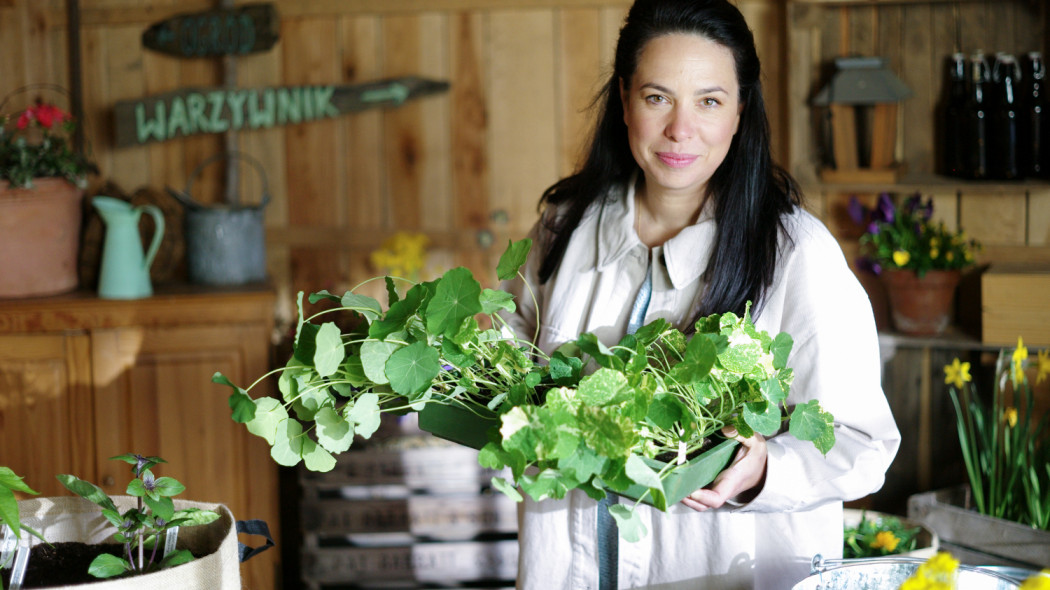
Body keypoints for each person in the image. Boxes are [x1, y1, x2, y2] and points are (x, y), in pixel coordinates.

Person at [498, 0, 902, 588]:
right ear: (625, 99)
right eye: (657, 97)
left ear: (741, 110)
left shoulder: (796, 254)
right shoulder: (564, 228)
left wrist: (766, 469)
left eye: (709, 101)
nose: (679, 130)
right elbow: (505, 365)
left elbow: (863, 445)